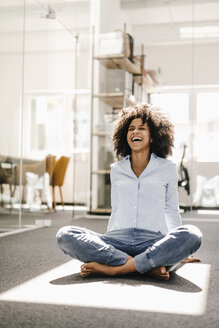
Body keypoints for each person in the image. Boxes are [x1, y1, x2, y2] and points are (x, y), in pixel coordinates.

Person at [56, 104, 202, 280]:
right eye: (131, 129)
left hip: (152, 241)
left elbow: (171, 209)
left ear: (153, 137)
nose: (135, 132)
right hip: (118, 241)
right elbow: (116, 209)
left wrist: (180, 247)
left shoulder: (167, 168)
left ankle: (115, 269)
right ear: (125, 136)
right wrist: (107, 244)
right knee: (65, 235)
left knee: (192, 234)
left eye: (141, 128)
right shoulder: (117, 169)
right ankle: (145, 266)